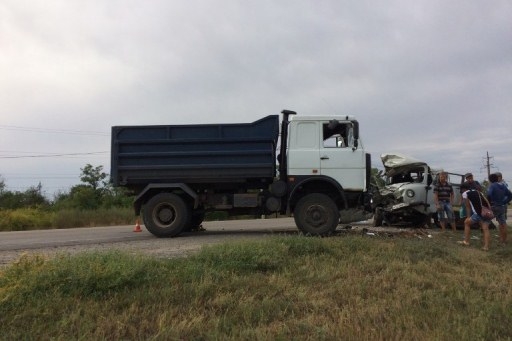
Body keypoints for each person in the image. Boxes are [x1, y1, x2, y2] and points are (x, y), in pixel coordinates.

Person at [458, 182, 492, 250]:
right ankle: (486, 246)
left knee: (466, 223)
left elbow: (468, 207)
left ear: (463, 189)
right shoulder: (479, 192)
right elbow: (487, 202)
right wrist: (489, 211)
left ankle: (466, 241)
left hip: (478, 213)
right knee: (485, 228)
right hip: (487, 212)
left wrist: (468, 217)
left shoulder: (465, 193)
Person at [487, 173, 512, 245]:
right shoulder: (503, 186)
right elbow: (510, 195)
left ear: (490, 180)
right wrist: (504, 202)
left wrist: (488, 204)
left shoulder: (492, 186)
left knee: (485, 221)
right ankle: (503, 241)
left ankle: (486, 242)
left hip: (494, 206)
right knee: (503, 224)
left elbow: (489, 194)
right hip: (502, 206)